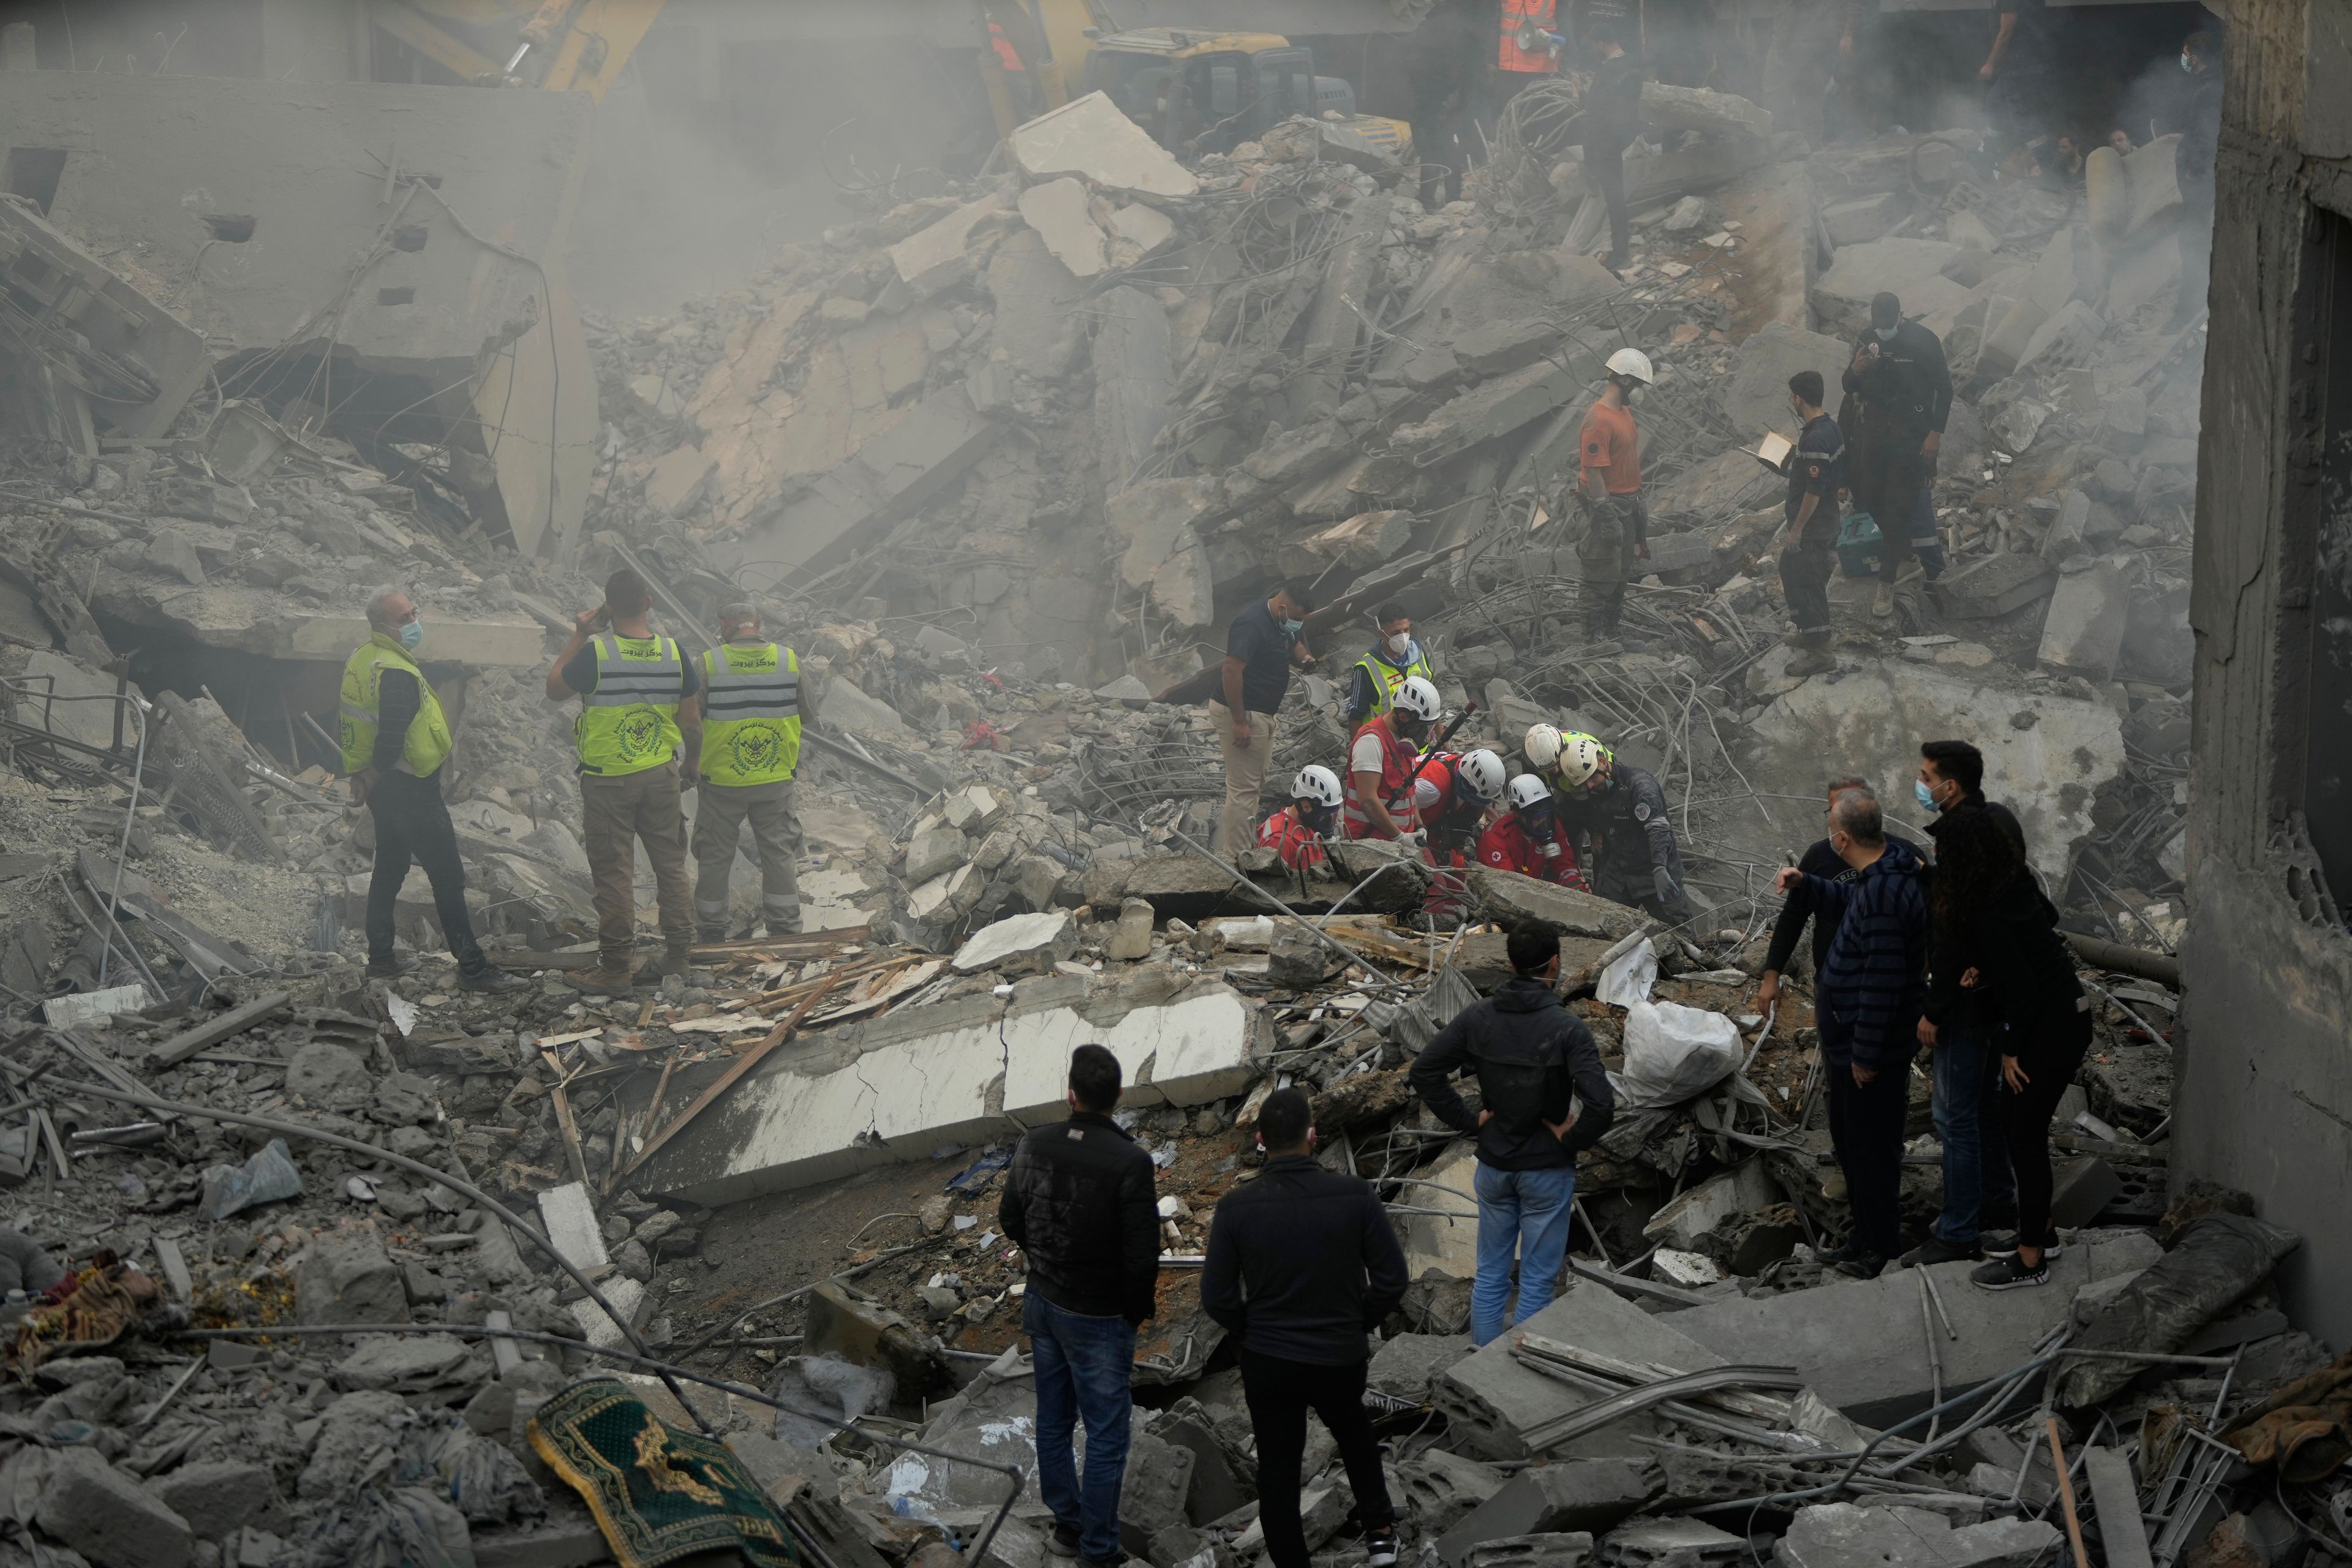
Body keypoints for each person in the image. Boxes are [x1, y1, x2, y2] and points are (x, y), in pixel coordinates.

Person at [1202, 1088, 1407, 1568]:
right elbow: (1393, 1279)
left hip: (1271, 1360)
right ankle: (1380, 1536)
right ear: (1313, 1136)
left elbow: (1217, 1297)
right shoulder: (1354, 1194)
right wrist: (1359, 1321)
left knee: (1278, 1465)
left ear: (1260, 1140)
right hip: (1339, 1354)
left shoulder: (1236, 1208)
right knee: (1355, 1433)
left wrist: (1249, 1332)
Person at [1409, 929, 1615, 1344]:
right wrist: (1570, 1140)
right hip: (1546, 1169)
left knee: (1490, 1275)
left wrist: (1470, 1122)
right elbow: (1603, 1105)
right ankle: (1520, 1379)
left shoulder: (1480, 1016)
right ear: (1555, 964)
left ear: (1511, 964)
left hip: (1495, 1166)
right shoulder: (1568, 1029)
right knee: (1537, 1281)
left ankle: (1483, 1369)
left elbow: (1424, 1072)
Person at [1000, 1045, 1160, 1567]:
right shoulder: (1130, 1161)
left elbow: (1010, 1218)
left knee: (1053, 1419)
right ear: (1116, 1096)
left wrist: (1043, 1258)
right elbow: (1142, 1255)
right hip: (1098, 1318)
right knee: (1108, 1435)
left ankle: (1069, 1526)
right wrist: (1132, 1312)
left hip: (1044, 1303)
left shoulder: (1033, 1143)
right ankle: (1097, 1549)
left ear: (1071, 1093)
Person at [1921, 810, 2094, 1292]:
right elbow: (2027, 952)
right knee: (2010, 1121)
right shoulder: (2006, 888)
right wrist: (1988, 968)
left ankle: (2032, 1260)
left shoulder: (1986, 911)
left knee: (2025, 1138)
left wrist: (2013, 1051)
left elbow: (2025, 995)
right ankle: (2043, 1234)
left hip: (2051, 1028)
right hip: (2055, 1018)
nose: (1938, 856)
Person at [1774, 791, 1930, 1277]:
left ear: (1843, 838)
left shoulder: (1885, 892)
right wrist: (1807, 883)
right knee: (1851, 1141)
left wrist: (1865, 1055)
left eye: (1829, 825)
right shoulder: (1880, 876)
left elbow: (1883, 981)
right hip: (1851, 1045)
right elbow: (1848, 898)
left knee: (1871, 1149)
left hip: (1869, 1052)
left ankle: (1878, 1247)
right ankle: (1863, 1235)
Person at [339, 587, 526, 993]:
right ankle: (474, 967)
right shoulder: (397, 673)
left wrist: (361, 776)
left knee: (389, 869)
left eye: (413, 613)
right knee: (448, 875)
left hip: (388, 789)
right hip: (409, 789)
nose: (413, 623)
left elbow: (363, 727)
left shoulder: (363, 659)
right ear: (381, 625)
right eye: (403, 619)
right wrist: (370, 777)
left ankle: (382, 960)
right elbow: (389, 738)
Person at [546, 568, 703, 992]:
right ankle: (679, 959)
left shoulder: (596, 653)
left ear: (608, 608)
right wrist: (691, 766)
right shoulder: (675, 653)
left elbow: (554, 688)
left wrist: (580, 634)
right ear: (649, 603)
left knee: (615, 874)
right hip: (660, 776)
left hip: (609, 781)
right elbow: (692, 722)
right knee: (671, 866)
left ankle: (616, 970)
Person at [1908, 739, 2028, 1262]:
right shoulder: (1998, 823)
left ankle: (1957, 1232)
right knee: (1981, 1107)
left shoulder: (1959, 835)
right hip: (1996, 992)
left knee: (1953, 1116)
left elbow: (1956, 931)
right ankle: (1999, 1205)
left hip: (1966, 1002)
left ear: (1949, 786)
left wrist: (1934, 1009)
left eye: (1926, 775)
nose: (1921, 783)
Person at [690, 599, 805, 942]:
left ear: (723, 624)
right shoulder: (789, 660)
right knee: (778, 853)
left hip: (722, 783)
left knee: (714, 856)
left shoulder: (708, 663)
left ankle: (711, 932)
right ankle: (785, 932)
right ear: (759, 623)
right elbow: (808, 713)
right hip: (775, 780)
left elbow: (690, 722)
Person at [1841, 292, 1952, 622]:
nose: (1883, 331)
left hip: (1910, 436)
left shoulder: (1923, 340)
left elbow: (1944, 389)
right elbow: (1849, 388)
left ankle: (1887, 582)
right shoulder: (1866, 338)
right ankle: (1904, 555)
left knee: (1899, 507)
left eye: (1888, 326)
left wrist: (1935, 434)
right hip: (1872, 436)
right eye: (1878, 326)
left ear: (1901, 316)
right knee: (1871, 501)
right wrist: (1857, 370)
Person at [1539, 728, 1700, 924]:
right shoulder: (1594, 794)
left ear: (1604, 762)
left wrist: (1660, 868)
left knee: (1679, 931)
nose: (1589, 786)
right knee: (1603, 925)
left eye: (1591, 778)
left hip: (1653, 873)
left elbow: (1658, 828)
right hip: (1620, 875)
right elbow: (1587, 825)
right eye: (1584, 782)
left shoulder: (1640, 785)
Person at [1753, 775, 1874, 1016]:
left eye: (1852, 804)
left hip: (1882, 985)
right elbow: (1793, 918)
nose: (1842, 814)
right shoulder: (1819, 856)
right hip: (1831, 981)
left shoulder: (1897, 855)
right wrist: (1771, 976)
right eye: (1835, 808)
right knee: (1834, 1051)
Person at [1215, 583, 1317, 858]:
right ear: (1284, 606)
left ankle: (1244, 848)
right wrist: (1239, 721)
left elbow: (1293, 641)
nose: (1298, 624)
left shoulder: (1281, 620)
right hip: (1244, 713)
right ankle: (1236, 859)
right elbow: (1231, 670)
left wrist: (1304, 657)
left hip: (1263, 713)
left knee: (1254, 784)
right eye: (1298, 617)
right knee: (1243, 789)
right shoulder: (1251, 624)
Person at [1576, 349, 1656, 641]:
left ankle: (1611, 633)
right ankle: (1592, 640)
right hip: (1607, 506)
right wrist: (1605, 515)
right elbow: (1594, 473)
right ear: (1624, 380)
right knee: (1600, 575)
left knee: (1621, 574)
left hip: (1628, 503)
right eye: (1639, 386)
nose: (1641, 393)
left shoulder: (1623, 412)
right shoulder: (1598, 420)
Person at [1777, 369, 1847, 677]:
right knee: (1790, 570)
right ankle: (1810, 631)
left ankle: (1821, 652)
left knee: (1808, 582)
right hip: (1825, 520)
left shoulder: (1816, 437)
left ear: (1799, 398)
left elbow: (1814, 491)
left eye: (1792, 396)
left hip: (1814, 526)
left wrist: (1796, 530)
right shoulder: (1830, 428)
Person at [2162, 25, 2222, 327]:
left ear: (2195, 57)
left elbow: (2206, 136)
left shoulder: (2209, 90)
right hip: (2198, 179)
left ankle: (2190, 308)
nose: (2183, 60)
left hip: (2200, 181)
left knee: (2193, 241)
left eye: (2186, 54)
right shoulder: (2207, 85)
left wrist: (2194, 170)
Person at [1343, 675, 1444, 842]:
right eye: (1422, 727)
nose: (1426, 733)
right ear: (1404, 717)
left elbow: (1407, 790)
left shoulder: (1402, 739)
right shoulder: (1371, 742)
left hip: (1400, 839)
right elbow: (1368, 800)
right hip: (1370, 844)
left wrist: (1419, 825)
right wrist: (1399, 837)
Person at [1578, 19, 1644, 270]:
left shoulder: (1607, 72)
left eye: (1595, 46)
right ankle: (1619, 247)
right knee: (1615, 197)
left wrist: (1580, 91)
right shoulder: (1633, 63)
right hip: (1622, 136)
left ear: (1600, 44)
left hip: (1605, 140)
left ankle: (1620, 254)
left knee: (1614, 199)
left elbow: (1592, 107)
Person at [1409, 0, 1486, 210]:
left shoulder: (1442, 24)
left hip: (1436, 96)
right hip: (1450, 96)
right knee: (1445, 145)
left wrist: (1446, 99)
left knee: (1432, 146)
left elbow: (1432, 64)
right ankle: (1452, 196)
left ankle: (1427, 199)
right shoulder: (1459, 22)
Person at [1477, 774, 1589, 890]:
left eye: (1547, 815)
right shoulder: (1496, 837)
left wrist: (1576, 886)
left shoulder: (1552, 825)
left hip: (1534, 886)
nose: (1544, 822)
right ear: (1519, 815)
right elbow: (1506, 887)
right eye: (1537, 818)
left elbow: (1564, 863)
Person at [1344, 602, 1437, 731]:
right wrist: (1357, 748)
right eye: (1396, 633)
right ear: (1382, 634)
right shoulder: (1366, 669)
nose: (1403, 636)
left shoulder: (1420, 653)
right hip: (1384, 744)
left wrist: (1440, 736)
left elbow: (1430, 699)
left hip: (1420, 743)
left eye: (1406, 630)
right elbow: (1355, 715)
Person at [1406, 747, 1507, 862]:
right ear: (1467, 786)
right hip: (1412, 831)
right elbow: (1402, 804)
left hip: (1433, 827)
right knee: (1437, 879)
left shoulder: (1462, 766)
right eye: (1474, 800)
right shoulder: (1432, 790)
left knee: (1457, 866)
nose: (1476, 805)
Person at [1260, 766, 1343, 870]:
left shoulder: (1306, 823)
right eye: (1325, 816)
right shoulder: (1280, 842)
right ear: (1306, 806)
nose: (1329, 822)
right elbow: (1273, 885)